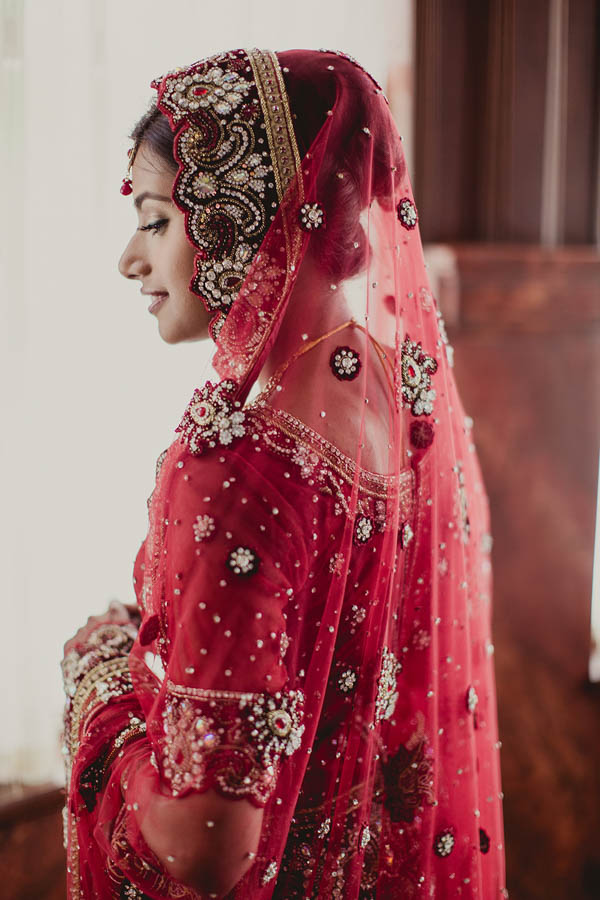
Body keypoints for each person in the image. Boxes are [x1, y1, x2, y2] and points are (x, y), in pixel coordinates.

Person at [60, 47, 508, 899]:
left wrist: (101, 679)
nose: (129, 258)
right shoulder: (398, 391)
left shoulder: (235, 464)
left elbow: (203, 848)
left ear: (247, 220)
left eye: (157, 220)